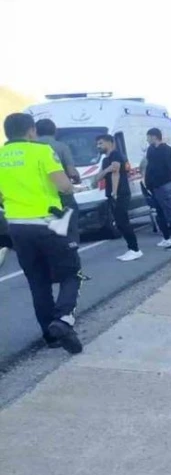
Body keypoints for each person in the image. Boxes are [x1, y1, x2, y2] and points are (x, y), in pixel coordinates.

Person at [0, 113, 83, 353]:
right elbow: (63, 184)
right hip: (48, 223)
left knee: (38, 282)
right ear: (31, 131)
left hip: (16, 226)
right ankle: (63, 319)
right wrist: (69, 185)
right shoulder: (41, 151)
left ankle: (51, 337)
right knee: (71, 273)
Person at [92, 134, 142, 261]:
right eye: (97, 144)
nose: (98, 146)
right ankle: (131, 248)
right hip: (111, 194)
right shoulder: (105, 160)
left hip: (120, 193)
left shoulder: (116, 155)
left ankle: (135, 249)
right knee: (119, 223)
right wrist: (106, 170)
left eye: (101, 143)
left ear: (110, 143)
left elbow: (116, 173)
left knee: (123, 221)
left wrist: (114, 192)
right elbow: (97, 178)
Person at [34, 118, 81, 248]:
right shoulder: (61, 147)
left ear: (35, 131)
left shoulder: (31, 149)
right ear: (55, 131)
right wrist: (77, 179)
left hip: (39, 197)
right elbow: (71, 172)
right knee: (70, 224)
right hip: (62, 194)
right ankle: (72, 248)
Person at [143, 128, 171, 250]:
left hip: (164, 185)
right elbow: (150, 167)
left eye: (148, 137)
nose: (147, 140)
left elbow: (169, 168)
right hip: (156, 187)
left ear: (154, 137)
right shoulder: (151, 150)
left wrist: (163, 181)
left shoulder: (166, 150)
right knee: (162, 214)